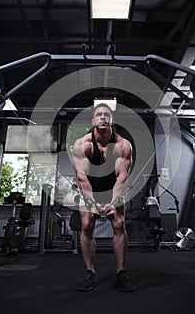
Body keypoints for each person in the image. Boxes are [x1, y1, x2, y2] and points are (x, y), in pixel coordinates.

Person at [72, 103, 135, 292]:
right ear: (93, 121)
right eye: (98, 115)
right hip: (90, 187)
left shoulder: (123, 145)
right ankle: (90, 273)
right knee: (86, 224)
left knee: (118, 223)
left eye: (106, 115)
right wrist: (91, 204)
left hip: (112, 187)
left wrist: (114, 203)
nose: (102, 117)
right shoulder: (82, 145)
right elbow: (81, 177)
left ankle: (121, 273)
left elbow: (121, 178)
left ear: (112, 121)